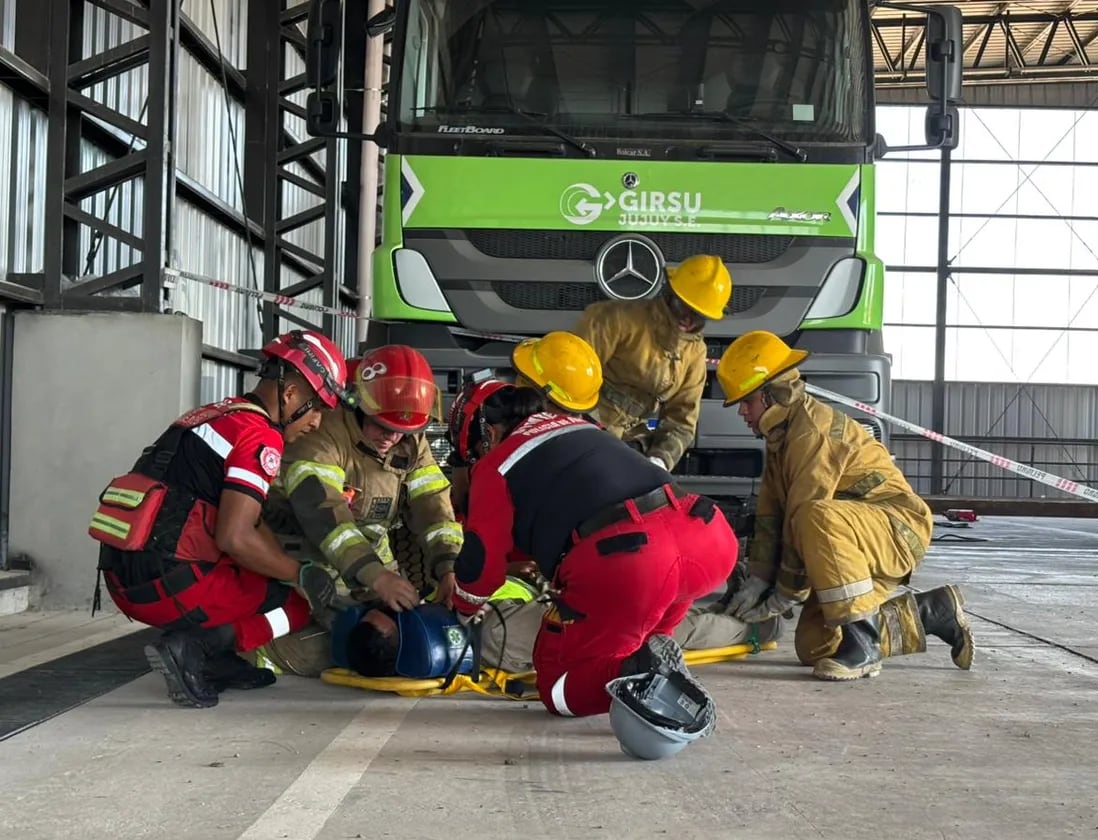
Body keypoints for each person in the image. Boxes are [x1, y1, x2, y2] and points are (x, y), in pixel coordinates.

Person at [450, 383, 737, 734]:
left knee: (559, 688)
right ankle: (655, 679)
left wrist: (461, 609)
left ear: (490, 434)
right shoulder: (585, 427)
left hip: (635, 561)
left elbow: (480, 565)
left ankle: (641, 671)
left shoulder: (496, 465)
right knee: (641, 641)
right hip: (707, 535)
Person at [88, 330, 352, 709]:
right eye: (316, 408)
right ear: (291, 394)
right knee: (293, 605)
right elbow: (236, 537)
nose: (316, 422)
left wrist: (285, 567)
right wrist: (302, 574)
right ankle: (196, 647)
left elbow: (249, 522)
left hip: (123, 578)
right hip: (169, 587)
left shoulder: (212, 415)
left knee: (266, 578)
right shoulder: (260, 435)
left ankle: (218, 661)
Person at [715, 330, 975, 681]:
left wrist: (786, 592)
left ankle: (864, 646)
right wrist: (759, 578)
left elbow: (804, 515)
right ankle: (934, 611)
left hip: (896, 527)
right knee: (816, 647)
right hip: (856, 536)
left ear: (771, 393)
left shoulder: (812, 432)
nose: (742, 411)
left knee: (815, 515)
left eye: (746, 401)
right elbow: (770, 516)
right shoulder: (781, 438)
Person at [263, 344, 463, 621]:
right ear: (360, 406)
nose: (392, 438)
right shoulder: (321, 433)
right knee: (326, 641)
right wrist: (375, 575)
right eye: (383, 426)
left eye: (401, 431)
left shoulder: (409, 439)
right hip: (307, 568)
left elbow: (432, 505)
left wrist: (448, 567)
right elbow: (325, 514)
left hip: (374, 567)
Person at [572, 253, 732, 472]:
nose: (687, 319)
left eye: (696, 315)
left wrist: (660, 460)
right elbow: (570, 383)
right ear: (670, 294)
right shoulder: (615, 319)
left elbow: (681, 422)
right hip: (585, 427)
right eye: (682, 307)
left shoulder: (694, 353)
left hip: (631, 443)